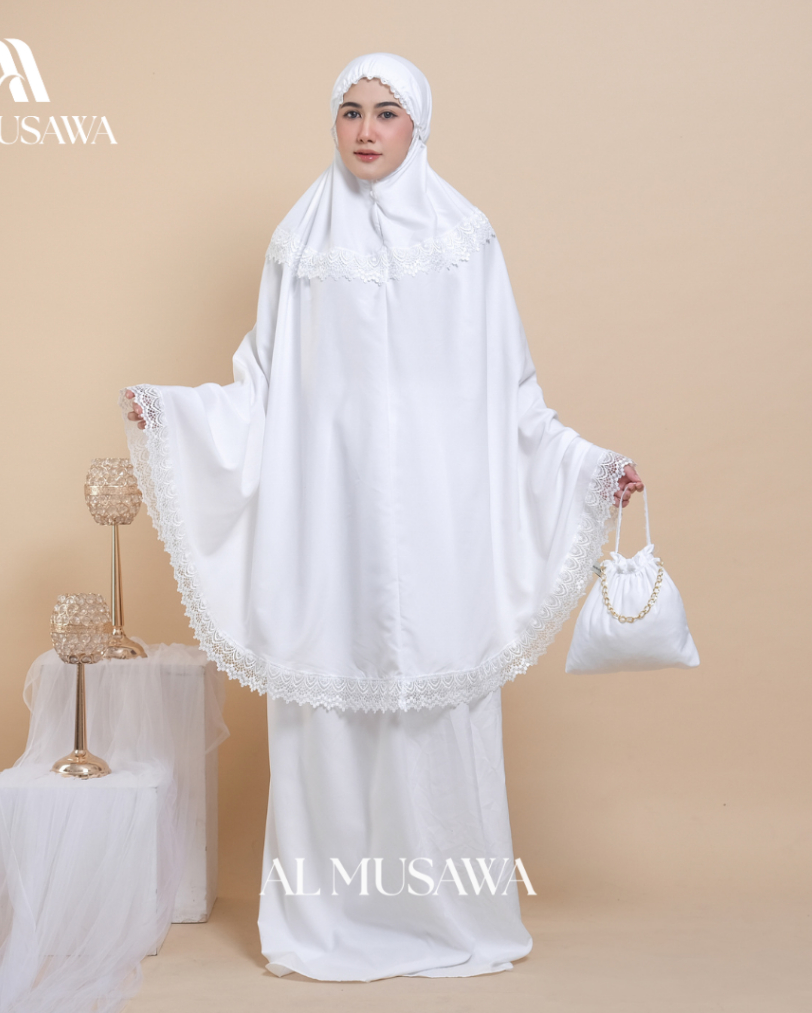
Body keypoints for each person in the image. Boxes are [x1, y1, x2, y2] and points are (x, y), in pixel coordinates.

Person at [123, 53, 642, 981]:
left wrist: (588, 468)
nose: (366, 130)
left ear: (419, 124)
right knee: (328, 691)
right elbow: (260, 387)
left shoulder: (466, 240)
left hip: (440, 521)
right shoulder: (299, 242)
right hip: (329, 519)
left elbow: (513, 394)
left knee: (436, 691)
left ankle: (450, 914)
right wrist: (175, 415)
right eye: (351, 111)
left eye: (388, 111)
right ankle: (327, 919)